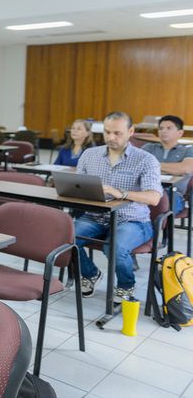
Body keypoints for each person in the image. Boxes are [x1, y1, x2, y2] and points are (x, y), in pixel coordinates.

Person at [74, 111, 162, 301]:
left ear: (131, 131)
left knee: (115, 247)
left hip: (133, 220)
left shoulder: (146, 160)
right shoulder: (90, 155)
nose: (110, 137)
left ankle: (125, 286)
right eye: (107, 132)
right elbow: (78, 185)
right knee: (65, 238)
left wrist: (120, 193)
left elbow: (154, 197)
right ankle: (90, 274)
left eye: (117, 133)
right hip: (95, 216)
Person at [142, 114, 193, 214]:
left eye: (169, 128)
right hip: (147, 191)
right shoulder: (149, 147)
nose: (163, 131)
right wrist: (172, 169)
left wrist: (152, 166)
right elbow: (136, 166)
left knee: (159, 210)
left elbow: (185, 168)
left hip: (173, 194)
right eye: (161, 128)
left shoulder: (188, 149)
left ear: (180, 133)